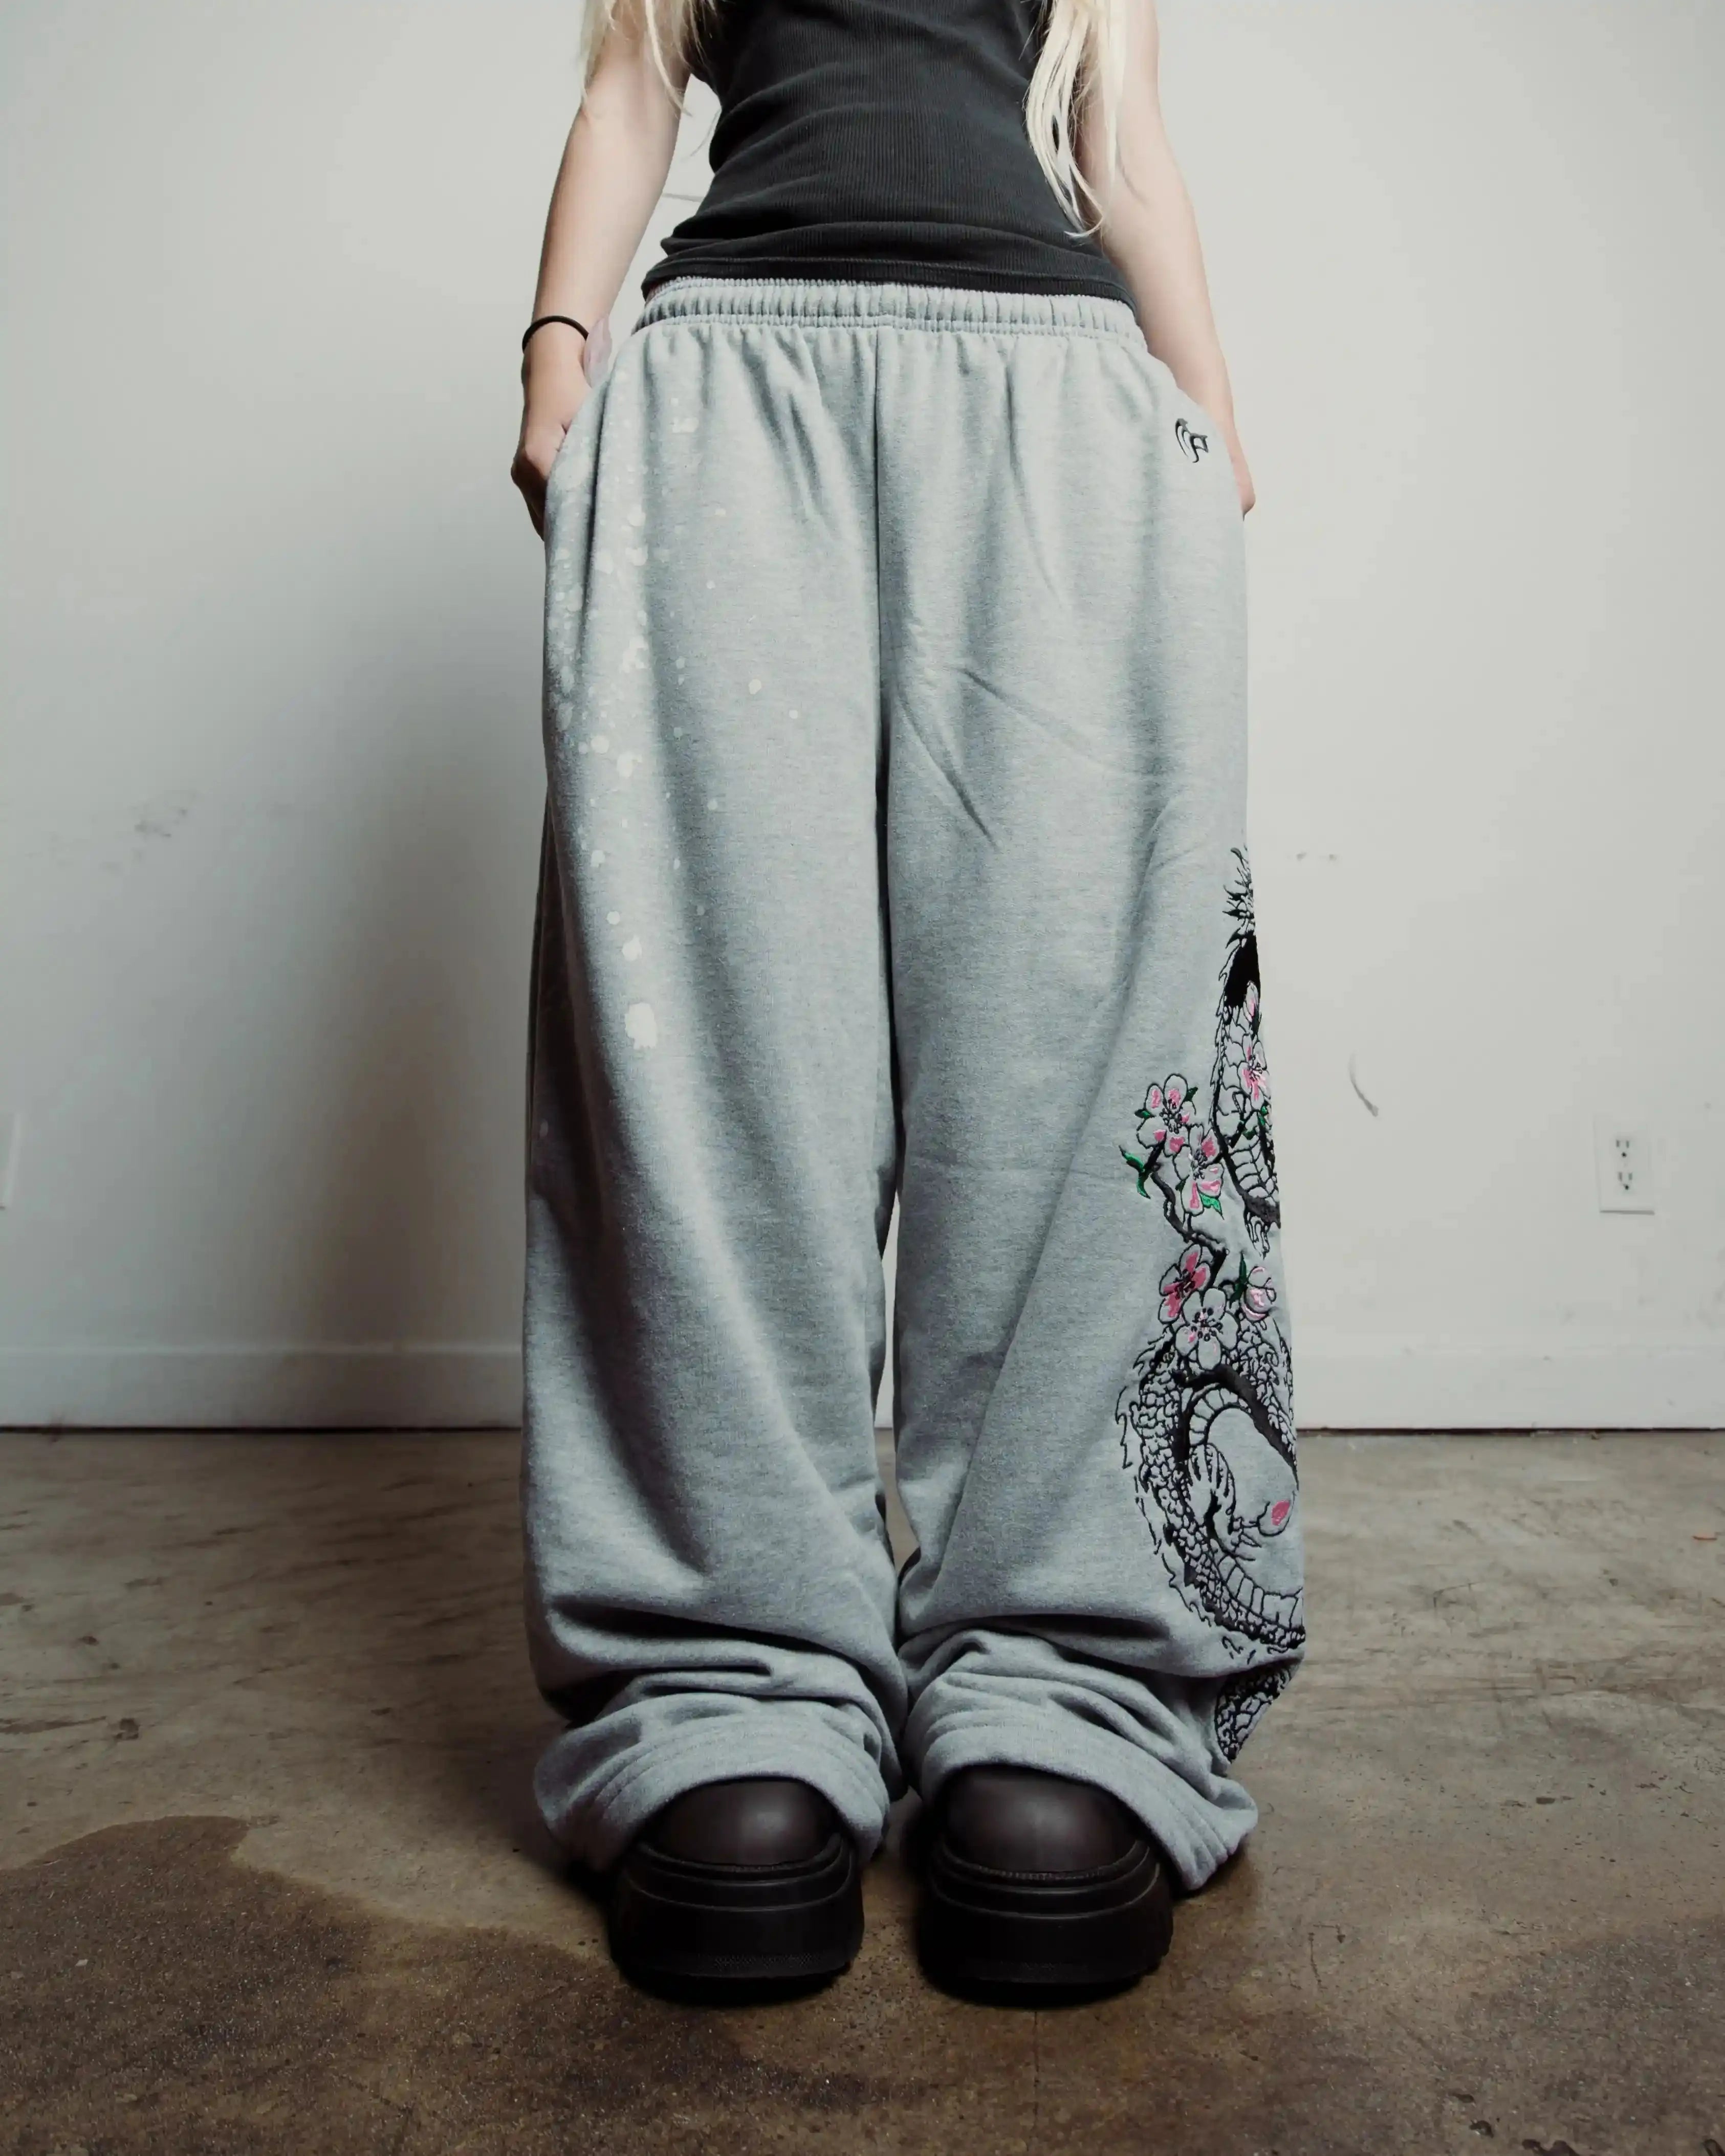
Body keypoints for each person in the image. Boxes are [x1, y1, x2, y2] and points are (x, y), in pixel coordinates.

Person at [509, 0, 1304, 2002]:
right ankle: (725, 1680)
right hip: (727, 399)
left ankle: (1067, 1681)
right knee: (712, 1075)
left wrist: (1207, 447)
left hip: (1058, 410)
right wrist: (556, 360)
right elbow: (628, 82)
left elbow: (1121, 136)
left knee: (1080, 1077)